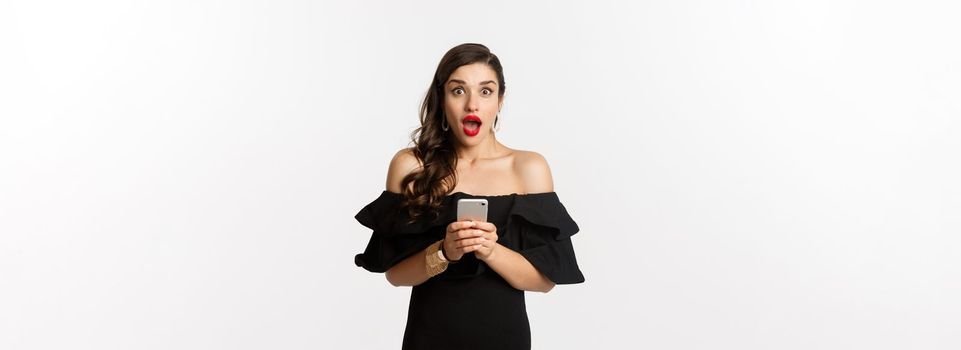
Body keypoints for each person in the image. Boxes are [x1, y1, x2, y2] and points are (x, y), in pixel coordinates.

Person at [354, 43, 585, 350]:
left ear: (500, 100)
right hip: (428, 338)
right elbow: (395, 275)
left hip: (505, 339)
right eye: (458, 91)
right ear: (442, 98)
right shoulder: (412, 166)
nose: (472, 105)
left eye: (486, 91)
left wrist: (490, 250)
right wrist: (444, 252)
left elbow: (544, 282)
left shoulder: (528, 168)